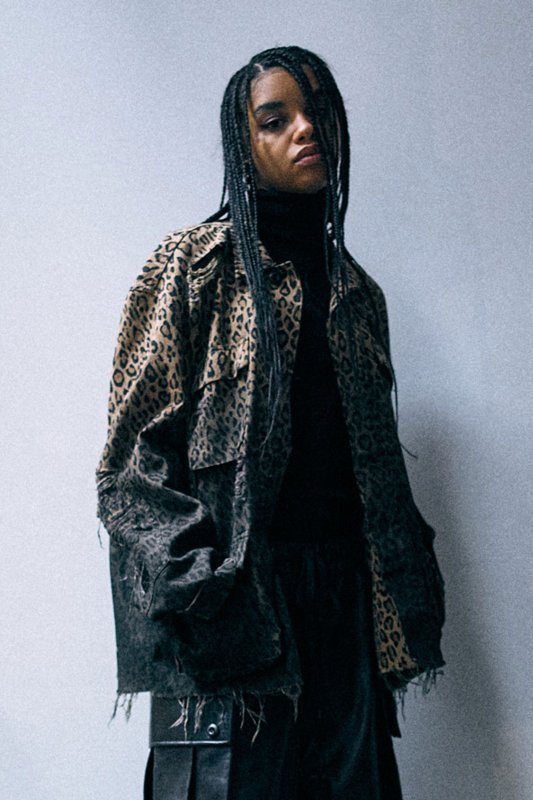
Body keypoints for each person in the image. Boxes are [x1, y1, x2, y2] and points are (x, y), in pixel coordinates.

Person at [96, 45, 445, 800]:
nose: (304, 129)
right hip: (237, 600)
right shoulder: (190, 268)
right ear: (242, 143)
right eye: (274, 119)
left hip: (346, 604)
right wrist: (198, 584)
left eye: (316, 112)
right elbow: (129, 468)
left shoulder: (358, 294)